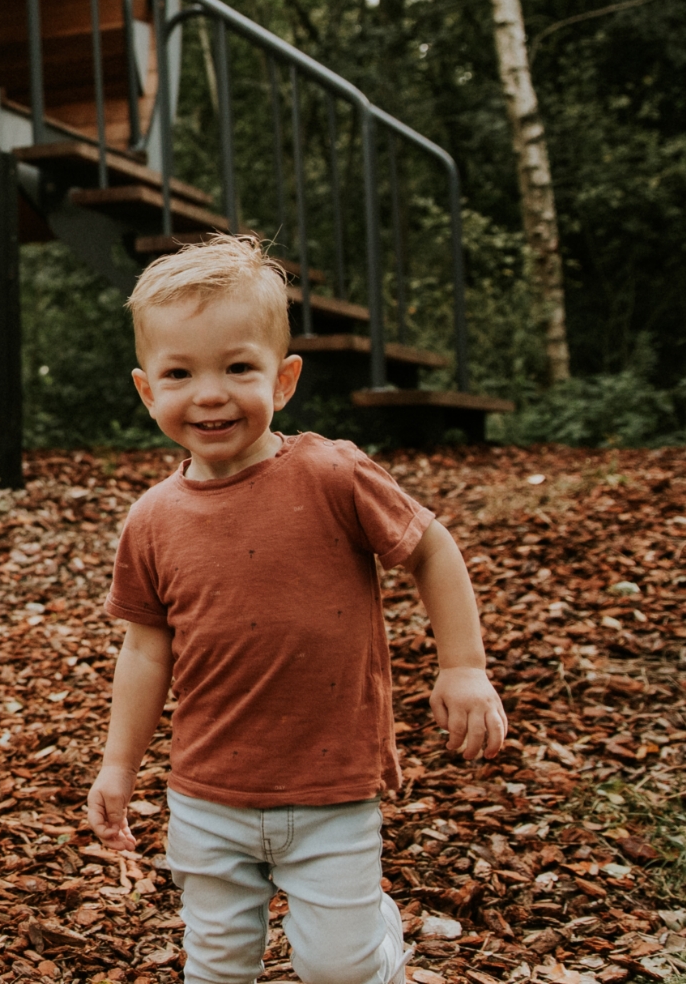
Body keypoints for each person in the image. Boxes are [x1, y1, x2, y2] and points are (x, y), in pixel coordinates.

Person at [83, 234, 509, 984]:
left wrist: (464, 668)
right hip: (208, 789)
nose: (210, 393)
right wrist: (120, 764)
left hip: (331, 786)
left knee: (335, 970)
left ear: (283, 380)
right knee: (215, 964)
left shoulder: (331, 474)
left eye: (237, 368)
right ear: (148, 391)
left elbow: (432, 550)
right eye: (180, 372)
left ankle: (376, 935)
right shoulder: (152, 519)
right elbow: (147, 651)